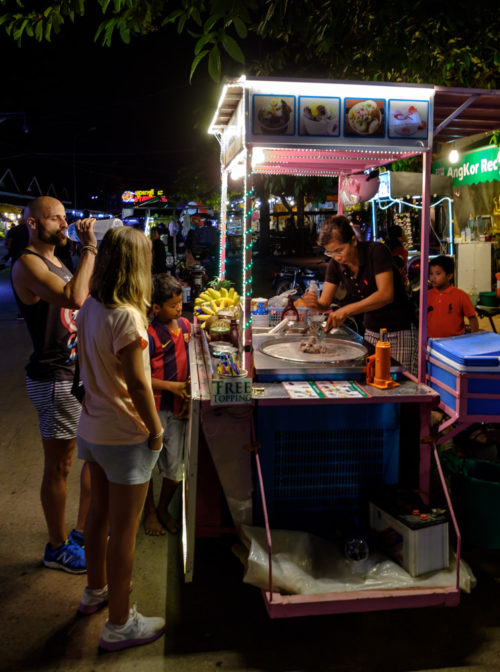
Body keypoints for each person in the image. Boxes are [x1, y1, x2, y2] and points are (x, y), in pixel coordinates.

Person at [75, 226, 165, 651]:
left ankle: (95, 591)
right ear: (136, 265)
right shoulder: (127, 315)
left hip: (92, 428)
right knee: (124, 532)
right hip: (124, 435)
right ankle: (119, 624)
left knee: (98, 517)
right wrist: (156, 429)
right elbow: (138, 384)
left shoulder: (90, 306)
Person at [11, 196, 96, 573]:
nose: (63, 224)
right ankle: (57, 546)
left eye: (65, 217)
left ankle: (79, 532)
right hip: (53, 376)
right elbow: (75, 296)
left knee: (89, 455)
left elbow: (85, 298)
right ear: (32, 223)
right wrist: (90, 247)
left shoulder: (59, 260)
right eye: (54, 218)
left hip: (75, 371)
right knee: (59, 465)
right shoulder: (27, 263)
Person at [303, 215, 417, 374]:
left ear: (353, 241)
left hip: (399, 329)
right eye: (330, 253)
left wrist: (345, 310)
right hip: (371, 330)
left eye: (339, 250)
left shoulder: (376, 251)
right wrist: (314, 303)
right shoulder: (335, 265)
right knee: (371, 378)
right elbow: (324, 304)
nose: (336, 257)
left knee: (400, 381)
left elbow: (386, 294)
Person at [143, 273, 191, 536]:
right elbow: (140, 378)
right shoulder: (149, 336)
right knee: (147, 463)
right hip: (155, 409)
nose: (179, 308)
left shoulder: (184, 325)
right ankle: (149, 512)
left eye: (180, 302)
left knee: (175, 468)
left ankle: (163, 508)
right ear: (156, 308)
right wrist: (172, 386)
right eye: (173, 305)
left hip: (178, 409)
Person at [428, 255, 479, 338]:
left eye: (438, 274)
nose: (433, 277)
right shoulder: (427, 295)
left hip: (455, 342)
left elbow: (472, 317)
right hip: (432, 343)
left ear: (449, 276)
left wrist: (475, 337)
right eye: (431, 273)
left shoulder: (461, 295)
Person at [385, 224, 409, 288]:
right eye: (404, 233)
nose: (406, 235)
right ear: (399, 237)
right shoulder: (402, 251)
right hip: (400, 284)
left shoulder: (387, 249)